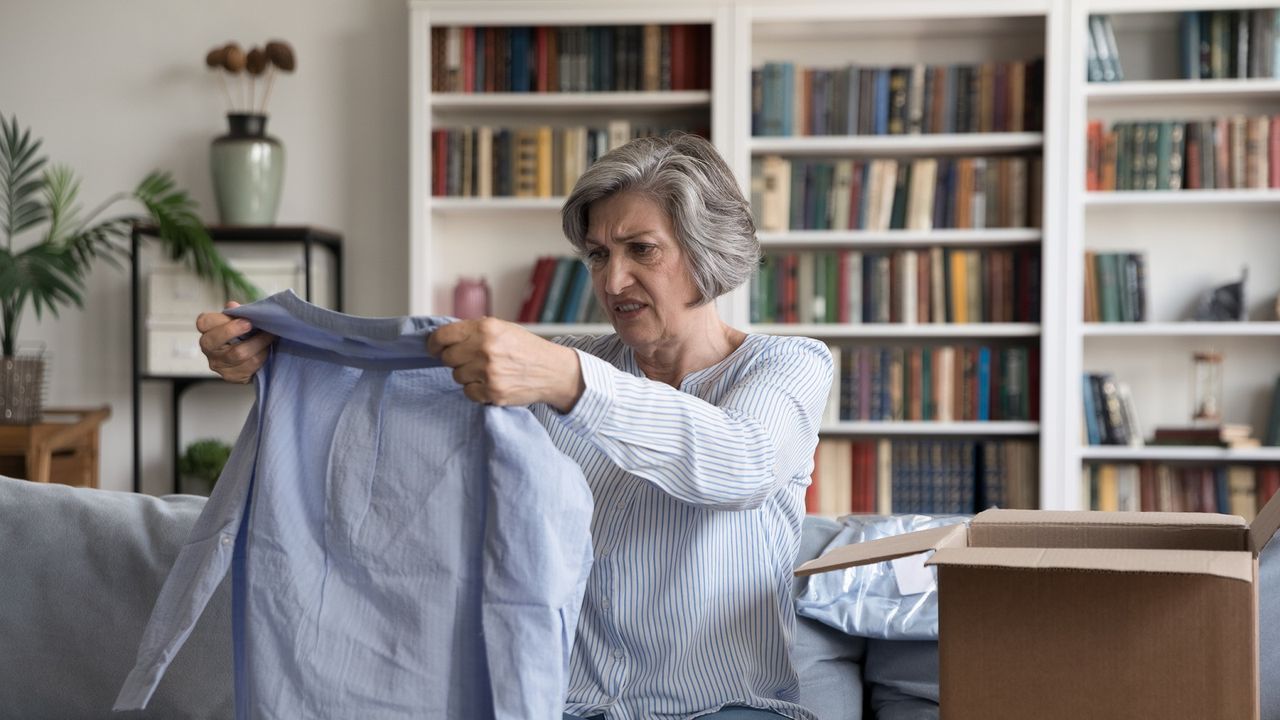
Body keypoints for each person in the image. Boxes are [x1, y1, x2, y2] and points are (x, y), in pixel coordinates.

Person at [196, 133, 832, 720]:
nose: (613, 281)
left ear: (706, 249)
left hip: (723, 709)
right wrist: (278, 356)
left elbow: (741, 462)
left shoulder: (787, 365)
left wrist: (568, 380)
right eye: (598, 255)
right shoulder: (560, 360)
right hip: (560, 706)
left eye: (641, 250)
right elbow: (404, 397)